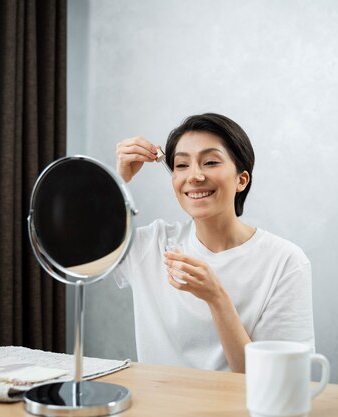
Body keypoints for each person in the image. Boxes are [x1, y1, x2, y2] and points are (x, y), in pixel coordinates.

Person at [112, 113, 314, 373]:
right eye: (182, 165)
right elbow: (68, 248)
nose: (194, 176)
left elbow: (278, 382)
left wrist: (216, 298)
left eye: (210, 162)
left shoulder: (285, 261)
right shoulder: (150, 245)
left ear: (241, 180)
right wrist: (118, 181)